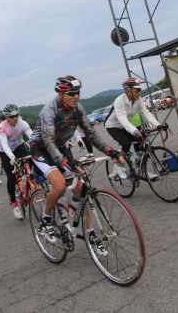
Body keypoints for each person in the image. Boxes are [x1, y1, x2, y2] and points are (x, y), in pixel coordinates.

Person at [29, 75, 122, 254]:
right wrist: (64, 163)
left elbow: (91, 133)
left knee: (83, 190)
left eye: (78, 92)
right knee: (60, 185)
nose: (76, 96)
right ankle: (46, 220)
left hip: (61, 147)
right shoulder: (49, 110)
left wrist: (110, 150)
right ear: (61, 94)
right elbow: (48, 141)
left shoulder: (77, 108)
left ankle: (90, 233)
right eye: (72, 93)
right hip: (41, 149)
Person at [104, 78, 167, 179]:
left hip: (125, 125)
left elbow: (145, 113)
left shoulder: (138, 100)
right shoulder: (119, 101)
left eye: (140, 90)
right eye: (137, 91)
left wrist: (157, 125)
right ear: (128, 92)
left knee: (141, 142)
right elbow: (122, 119)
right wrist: (134, 131)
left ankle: (142, 171)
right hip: (113, 126)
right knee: (126, 144)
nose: (139, 93)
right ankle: (119, 168)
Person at [0, 104, 34, 219]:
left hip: (18, 146)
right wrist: (12, 158)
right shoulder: (2, 127)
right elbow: (4, 144)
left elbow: (32, 137)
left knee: (32, 159)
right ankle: (14, 203)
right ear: (6, 117)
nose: (15, 119)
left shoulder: (22, 123)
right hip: (5, 151)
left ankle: (26, 177)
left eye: (16, 116)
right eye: (12, 117)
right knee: (11, 177)